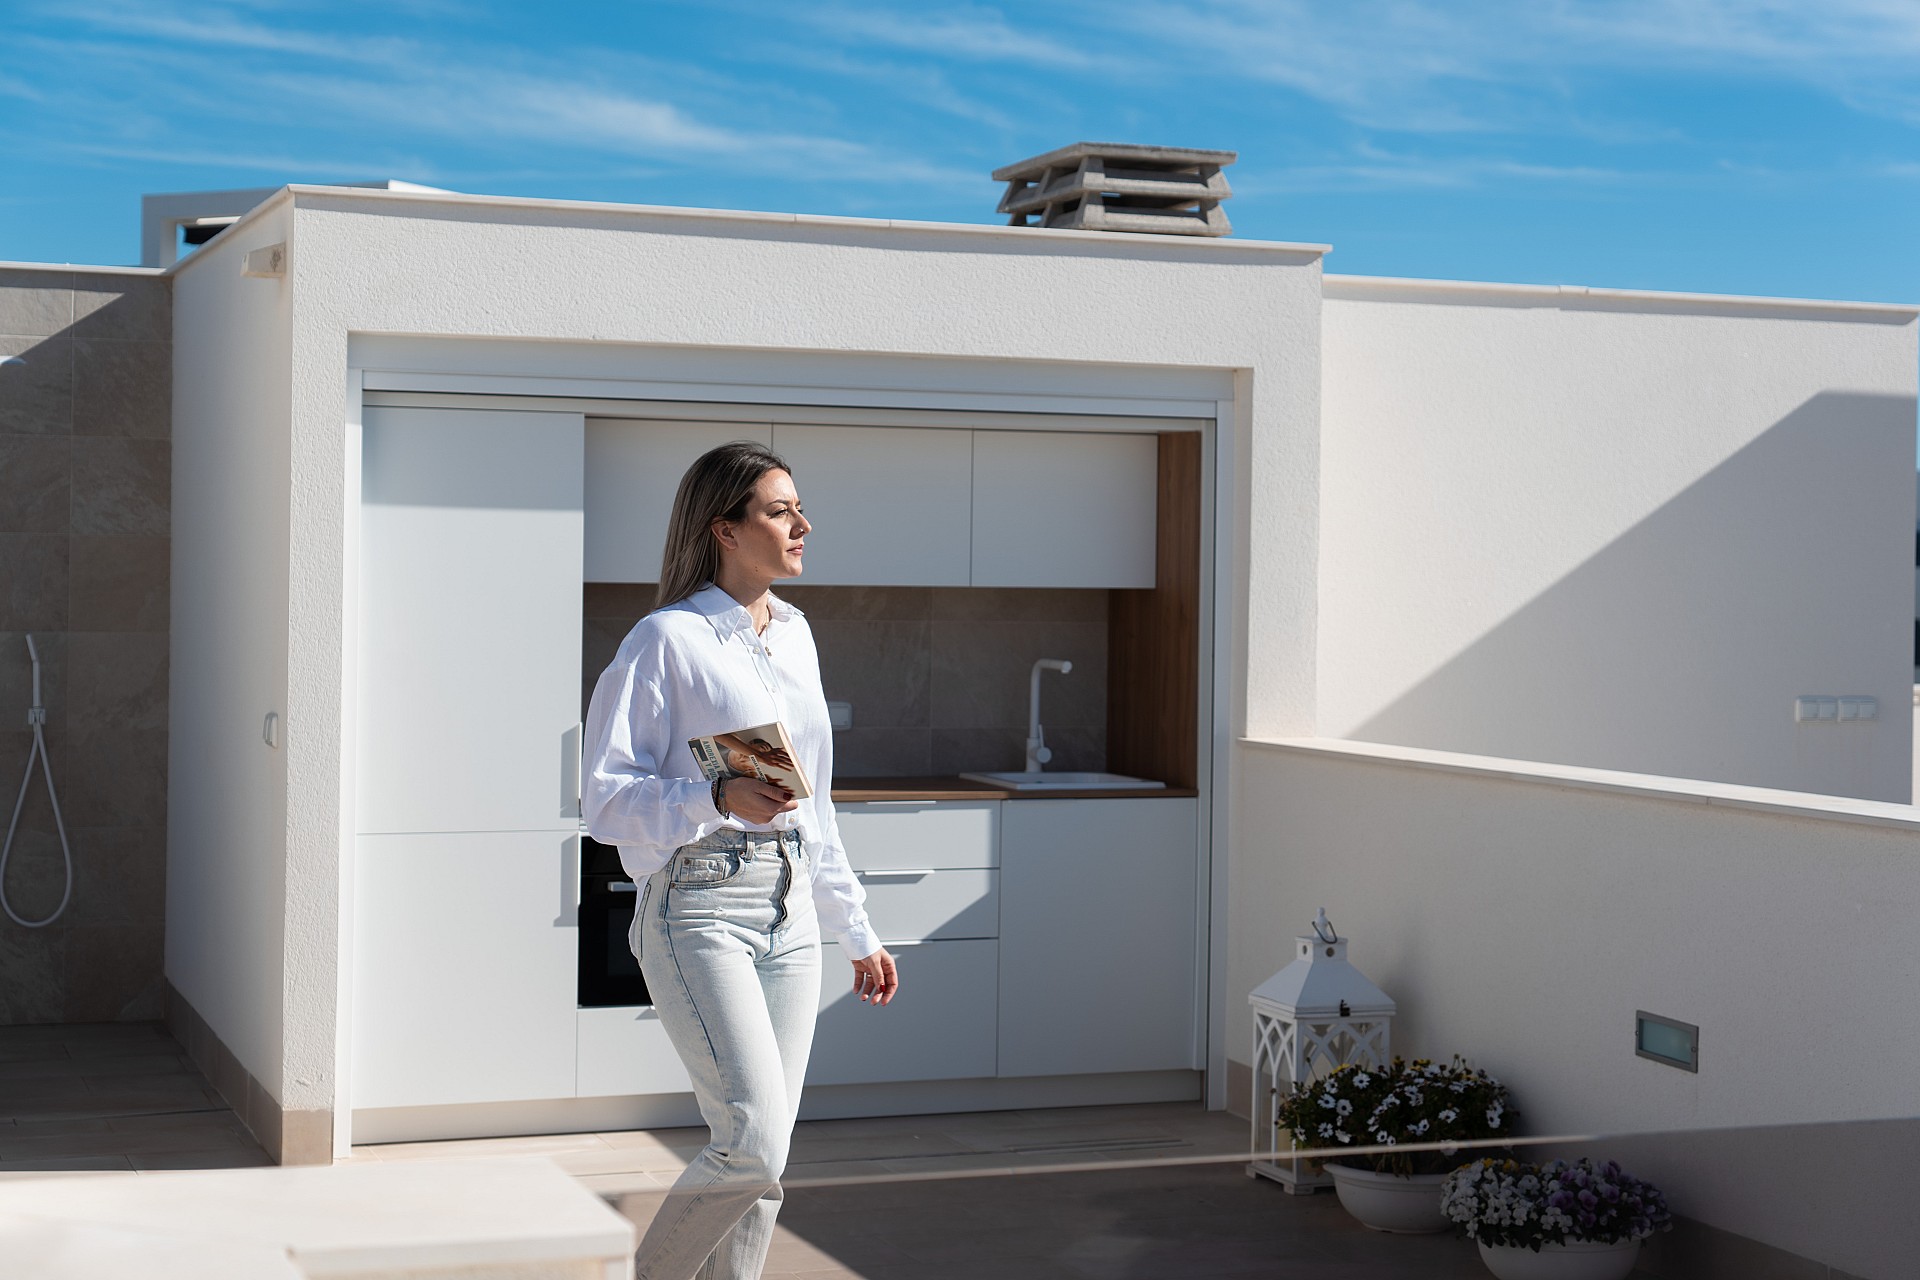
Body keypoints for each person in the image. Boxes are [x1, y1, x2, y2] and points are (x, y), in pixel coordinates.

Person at [582, 440, 899, 1280]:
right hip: (699, 903)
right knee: (751, 1143)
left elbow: (815, 801)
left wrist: (855, 929)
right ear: (724, 529)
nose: (802, 524)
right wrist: (713, 799)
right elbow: (605, 798)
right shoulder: (667, 640)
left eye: (798, 507)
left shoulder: (795, 635)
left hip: (790, 907)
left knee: (765, 1164)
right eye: (778, 510)